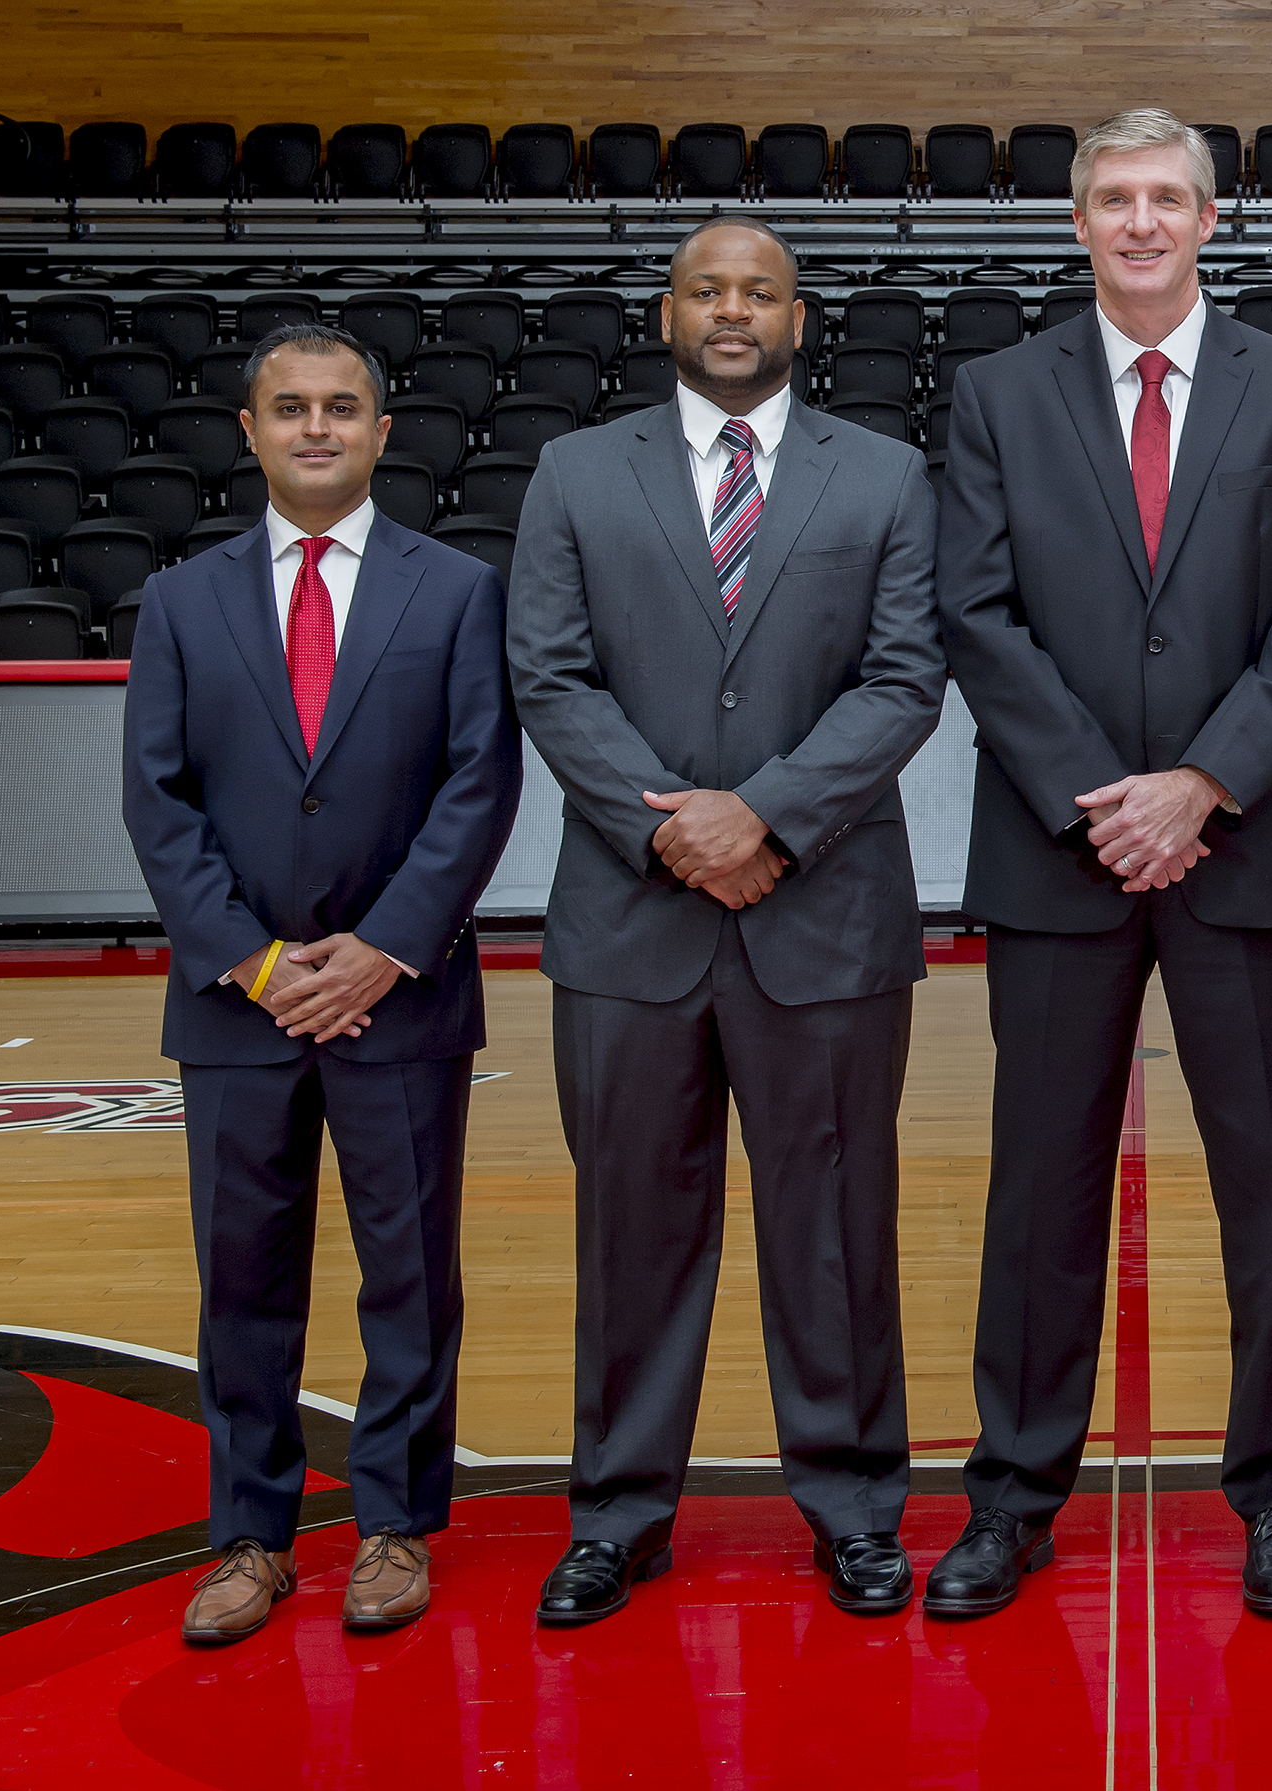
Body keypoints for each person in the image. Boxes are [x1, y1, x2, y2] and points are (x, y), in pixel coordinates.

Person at [931, 108, 1272, 1619]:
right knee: (1040, 1189)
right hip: (1061, 858)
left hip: (1240, 851)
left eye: (1166, 198)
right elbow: (975, 614)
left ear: (1211, 220)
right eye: (1112, 198)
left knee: (1267, 1185)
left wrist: (1201, 786)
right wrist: (1103, 800)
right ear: (1076, 221)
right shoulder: (995, 392)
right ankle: (1015, 1493)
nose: (1139, 221)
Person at [508, 219, 945, 1622]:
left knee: (834, 1224)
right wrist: (668, 828)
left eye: (760, 292)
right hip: (631, 922)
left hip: (823, 915)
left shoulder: (884, 475)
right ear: (667, 313)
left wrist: (761, 815)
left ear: (799, 320)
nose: (734, 311)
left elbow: (903, 681)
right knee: (635, 1228)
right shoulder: (579, 474)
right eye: (709, 290)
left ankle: (856, 1507)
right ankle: (620, 1514)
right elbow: (552, 679)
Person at [121, 323, 522, 1644]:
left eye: (340, 408)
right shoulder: (180, 602)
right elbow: (159, 802)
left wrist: (383, 947)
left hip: (399, 993)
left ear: (380, 430)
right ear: (248, 430)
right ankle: (250, 1536)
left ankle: (397, 1527)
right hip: (238, 1005)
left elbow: (480, 785)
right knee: (243, 1278)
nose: (315, 429)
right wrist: (254, 958)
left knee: (408, 1273)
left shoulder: (455, 593)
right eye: (289, 409)